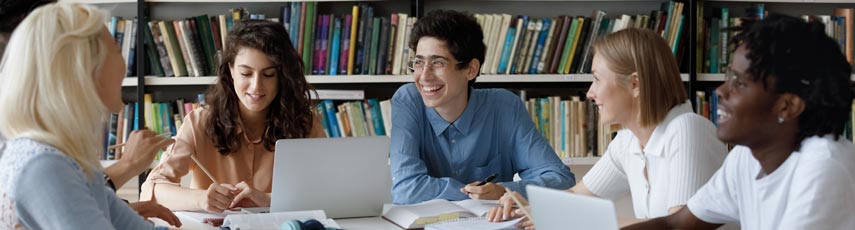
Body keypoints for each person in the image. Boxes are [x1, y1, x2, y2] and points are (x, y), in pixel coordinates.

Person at [624, 14, 855, 230]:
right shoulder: (747, 157)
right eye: (728, 77)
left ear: (788, 106)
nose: (721, 91)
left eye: (740, 83)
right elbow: (677, 224)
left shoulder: (823, 168)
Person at [487, 28, 728, 228]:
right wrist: (528, 206)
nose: (591, 93)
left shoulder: (688, 130)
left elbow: (677, 227)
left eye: (597, 79)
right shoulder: (627, 140)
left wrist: (572, 220)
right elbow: (574, 198)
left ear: (635, 83)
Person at [0, 3, 179, 228]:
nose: (125, 66)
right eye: (116, 49)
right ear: (84, 69)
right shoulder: (44, 165)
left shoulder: (69, 158)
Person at [390, 9, 575, 205]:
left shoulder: (504, 106)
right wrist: (474, 193)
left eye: (437, 63)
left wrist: (503, 191)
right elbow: (406, 190)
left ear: (470, 70)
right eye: (418, 62)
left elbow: (560, 180)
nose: (424, 76)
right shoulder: (408, 100)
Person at [140, 19, 326, 213]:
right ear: (231, 71)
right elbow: (151, 189)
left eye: (269, 75)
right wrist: (201, 199)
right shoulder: (199, 122)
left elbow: (326, 190)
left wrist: (268, 199)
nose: (256, 87)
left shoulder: (305, 123)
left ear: (282, 76)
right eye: (246, 73)